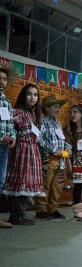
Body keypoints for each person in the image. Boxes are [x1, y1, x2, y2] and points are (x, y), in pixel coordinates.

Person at [2, 83, 44, 225]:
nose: (32, 97)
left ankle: (21, 213)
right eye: (29, 94)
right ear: (23, 95)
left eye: (35, 95)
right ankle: (15, 215)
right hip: (22, 151)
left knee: (27, 182)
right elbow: (10, 129)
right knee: (20, 181)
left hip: (33, 151)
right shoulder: (17, 112)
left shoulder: (34, 114)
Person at [35, 96, 71, 220]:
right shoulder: (43, 122)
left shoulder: (58, 123)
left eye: (58, 107)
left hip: (60, 160)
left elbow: (62, 140)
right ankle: (41, 210)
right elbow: (39, 139)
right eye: (55, 107)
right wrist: (55, 151)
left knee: (57, 185)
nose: (58, 109)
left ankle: (53, 209)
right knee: (45, 185)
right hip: (48, 159)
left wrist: (68, 148)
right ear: (47, 108)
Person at [0, 66, 16, 228]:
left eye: (4, 79)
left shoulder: (6, 101)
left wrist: (13, 138)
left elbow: (10, 123)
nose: (2, 81)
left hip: (4, 148)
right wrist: (1, 136)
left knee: (1, 180)